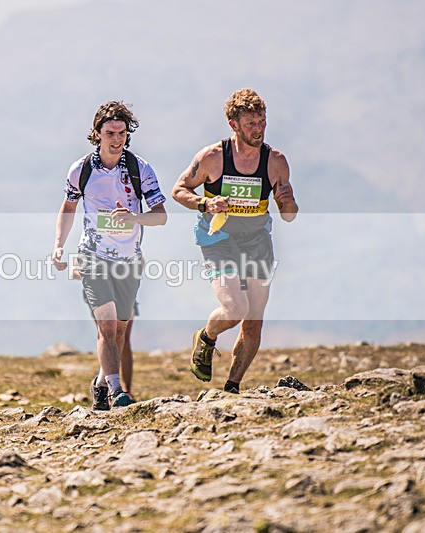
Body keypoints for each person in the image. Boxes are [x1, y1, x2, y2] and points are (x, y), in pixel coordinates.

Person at [171, 88, 298, 394]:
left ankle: (232, 388)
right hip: (219, 238)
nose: (259, 129)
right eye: (251, 124)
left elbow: (289, 215)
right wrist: (205, 204)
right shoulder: (213, 157)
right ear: (234, 125)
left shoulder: (276, 162)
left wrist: (288, 201)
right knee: (234, 310)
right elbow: (178, 190)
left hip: (257, 241)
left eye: (262, 122)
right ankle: (206, 337)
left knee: (253, 322)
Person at [53, 100, 167, 410]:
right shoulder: (82, 170)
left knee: (118, 331)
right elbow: (69, 206)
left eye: (122, 133)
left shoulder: (139, 168)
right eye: (110, 133)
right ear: (97, 134)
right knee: (105, 326)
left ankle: (101, 382)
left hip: (128, 260)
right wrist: (59, 245)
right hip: (92, 256)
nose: (117, 139)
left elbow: (161, 216)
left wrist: (135, 219)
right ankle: (118, 392)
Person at [71, 257, 138, 401]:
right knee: (108, 333)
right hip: (99, 295)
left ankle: (120, 387)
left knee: (122, 337)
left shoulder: (129, 245)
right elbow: (74, 272)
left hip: (124, 291)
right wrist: (99, 278)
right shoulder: (89, 245)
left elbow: (140, 264)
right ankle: (111, 387)